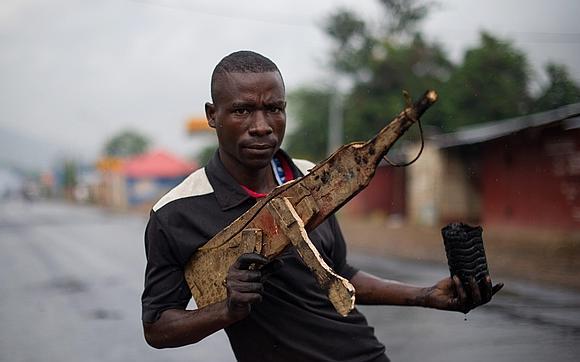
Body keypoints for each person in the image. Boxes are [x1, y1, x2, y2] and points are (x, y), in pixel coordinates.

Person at [141, 50, 502, 362]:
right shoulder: (177, 213)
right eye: (242, 110)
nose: (262, 126)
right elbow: (157, 327)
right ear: (212, 115)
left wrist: (425, 296)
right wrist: (228, 309)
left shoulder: (313, 178)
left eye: (274, 109)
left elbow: (340, 271)